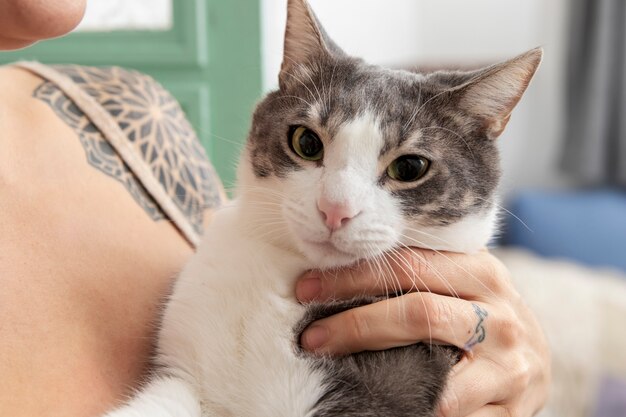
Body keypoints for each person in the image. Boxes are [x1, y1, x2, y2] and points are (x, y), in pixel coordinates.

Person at [0, 1, 550, 416]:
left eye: (406, 170)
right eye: (309, 145)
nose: (338, 209)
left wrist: (524, 377)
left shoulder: (135, 119)